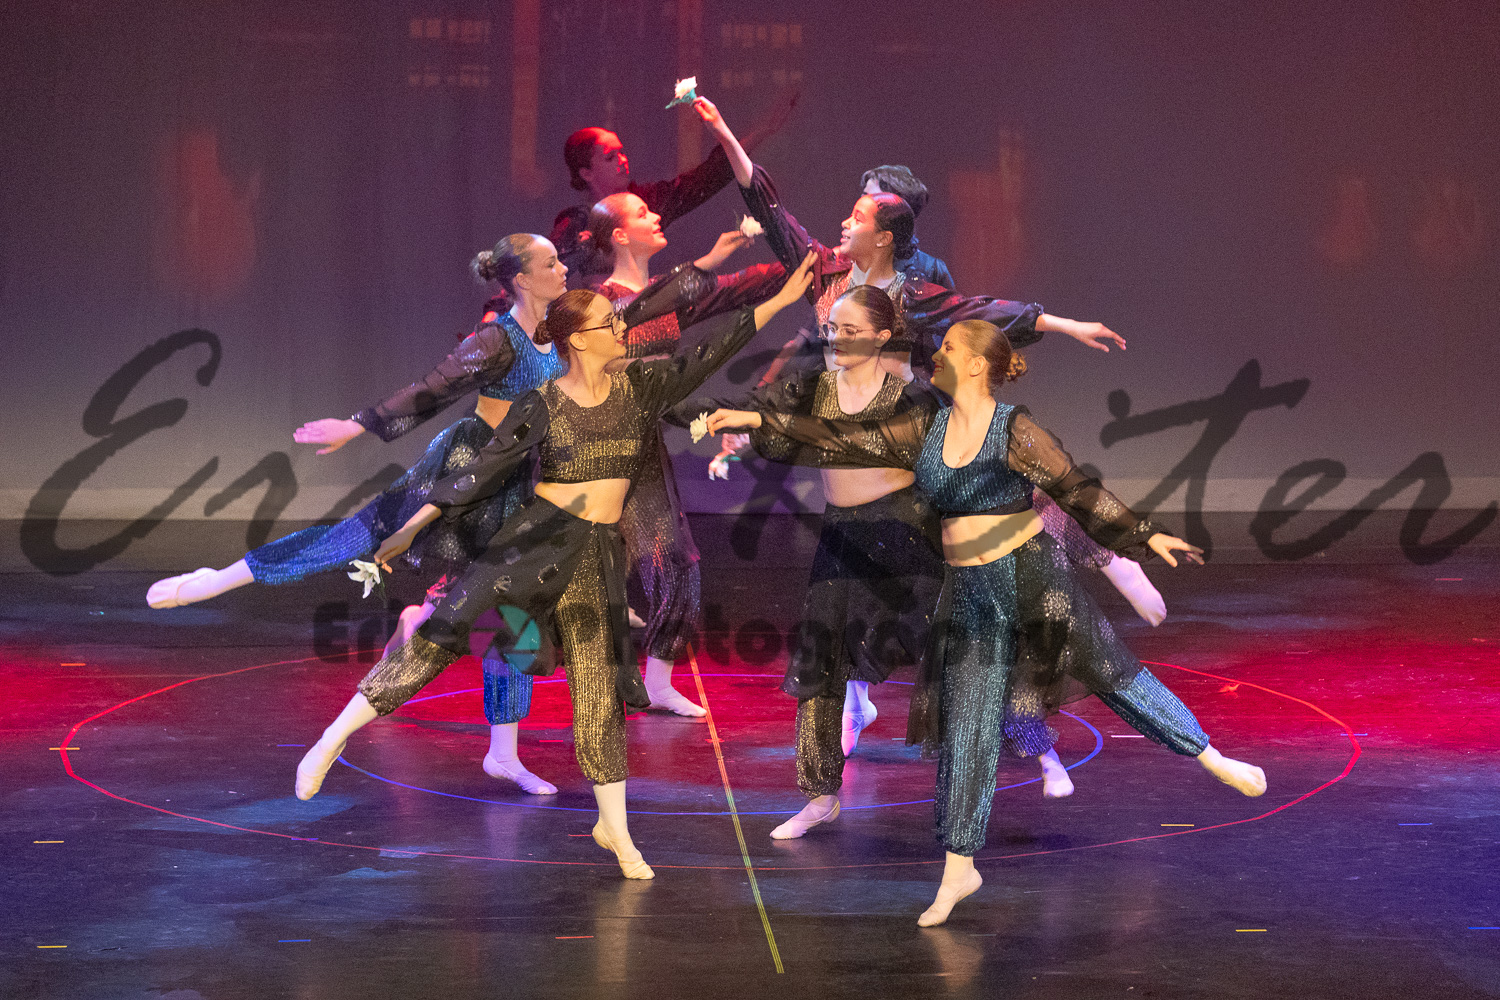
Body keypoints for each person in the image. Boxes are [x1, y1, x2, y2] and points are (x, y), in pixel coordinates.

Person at [702, 318, 1266, 924]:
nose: (936, 355)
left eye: (948, 348)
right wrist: (757, 419)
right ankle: (959, 869)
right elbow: (842, 439)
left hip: (1033, 577)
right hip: (970, 591)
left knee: (1110, 672)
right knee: (968, 726)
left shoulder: (1014, 429)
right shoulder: (926, 426)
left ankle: (1210, 756)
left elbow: (1076, 490)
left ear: (976, 364)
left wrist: (1145, 535)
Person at [291, 255, 818, 883]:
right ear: (578, 340)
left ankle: (615, 828)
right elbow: (478, 472)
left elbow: (711, 350)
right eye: (609, 324)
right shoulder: (541, 403)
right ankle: (331, 739)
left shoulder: (641, 387)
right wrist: (409, 528)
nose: (621, 330)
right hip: (532, 543)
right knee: (440, 636)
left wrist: (779, 298)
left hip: (595, 554)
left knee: (597, 688)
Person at [147, 234, 572, 793]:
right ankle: (217, 579)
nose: (563, 269)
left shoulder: (558, 334)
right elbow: (434, 388)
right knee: (355, 537)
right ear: (521, 279)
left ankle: (503, 753)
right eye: (551, 263)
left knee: (522, 616)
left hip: (516, 484)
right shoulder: (498, 338)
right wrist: (357, 425)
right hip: (466, 465)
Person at [670, 284, 944, 839]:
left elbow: (868, 446)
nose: (836, 339)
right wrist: (663, 399)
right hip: (842, 537)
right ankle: (820, 796)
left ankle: (1018, 750)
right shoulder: (812, 387)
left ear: (881, 337)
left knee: (942, 652)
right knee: (820, 658)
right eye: (831, 329)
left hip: (905, 536)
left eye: (850, 330)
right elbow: (755, 411)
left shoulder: (913, 401)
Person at [582, 132, 789, 715]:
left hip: (643, 449)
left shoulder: (667, 293)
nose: (655, 214)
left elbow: (731, 291)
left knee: (671, 560)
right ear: (620, 236)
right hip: (600, 451)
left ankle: (657, 678)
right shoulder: (602, 300)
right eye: (642, 213)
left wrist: (802, 267)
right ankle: (429, 623)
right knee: (592, 569)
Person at [551, 92, 796, 286]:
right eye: (610, 157)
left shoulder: (646, 200)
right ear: (586, 173)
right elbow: (546, 271)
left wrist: (761, 130)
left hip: (645, 305)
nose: (622, 160)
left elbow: (706, 177)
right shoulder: (576, 223)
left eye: (622, 152)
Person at [858, 164, 954, 289]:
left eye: (873, 199)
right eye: (864, 196)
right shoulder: (849, 263)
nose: (863, 204)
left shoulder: (931, 269)